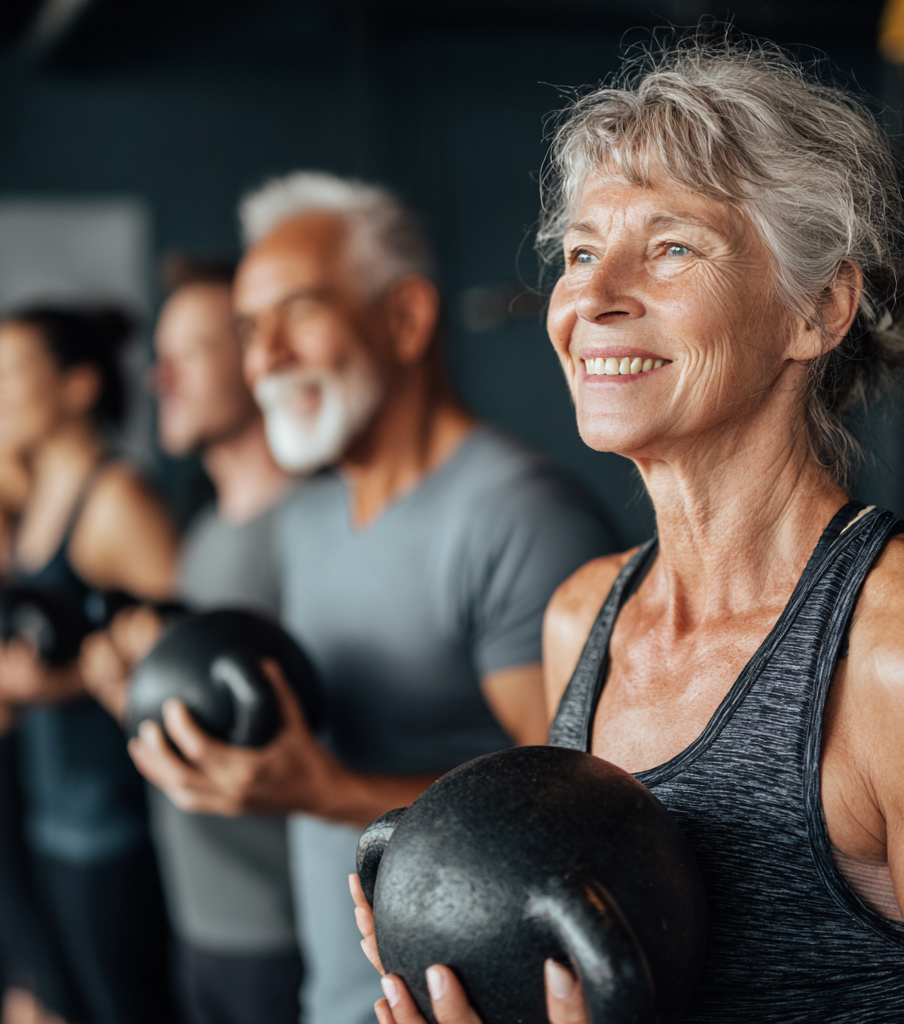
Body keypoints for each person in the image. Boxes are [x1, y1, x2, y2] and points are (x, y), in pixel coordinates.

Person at [352, 36, 904, 1024]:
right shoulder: (579, 619)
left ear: (816, 308)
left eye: (669, 248)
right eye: (581, 252)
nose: (594, 295)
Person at [127, 173, 618, 1024]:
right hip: (338, 991)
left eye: (299, 312)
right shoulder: (308, 514)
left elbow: (564, 820)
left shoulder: (517, 512)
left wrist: (326, 790)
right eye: (248, 328)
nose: (265, 356)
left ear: (406, 319)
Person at [80, 257, 301, 1024]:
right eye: (158, 355)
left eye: (190, 351)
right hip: (198, 926)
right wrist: (129, 692)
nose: (157, 378)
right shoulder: (200, 538)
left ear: (253, 358)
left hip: (291, 934)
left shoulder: (315, 525)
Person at [0, 306, 179, 1024]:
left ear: (77, 386)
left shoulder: (117, 501)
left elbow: (187, 662)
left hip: (111, 827)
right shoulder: (32, 494)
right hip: (46, 813)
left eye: (13, 372)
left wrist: (62, 682)